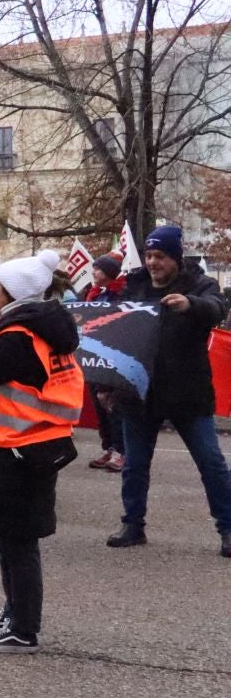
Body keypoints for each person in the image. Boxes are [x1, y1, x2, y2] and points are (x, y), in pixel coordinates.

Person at [0, 255, 84, 653]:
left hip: (16, 446)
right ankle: (15, 613)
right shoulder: (39, 327)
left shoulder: (17, 336)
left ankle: (23, 628)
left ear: (11, 292)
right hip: (31, 443)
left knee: (17, 542)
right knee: (10, 538)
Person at [106, 225, 230, 556]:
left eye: (160, 256)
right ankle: (133, 525)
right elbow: (115, 336)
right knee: (135, 465)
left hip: (186, 391)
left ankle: (228, 528)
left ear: (175, 257)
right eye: (148, 255)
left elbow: (218, 308)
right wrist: (107, 386)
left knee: (211, 462)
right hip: (139, 392)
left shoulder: (200, 284)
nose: (152, 262)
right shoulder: (135, 286)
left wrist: (189, 304)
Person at [82, 255, 126, 472]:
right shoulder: (96, 294)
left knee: (112, 406)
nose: (94, 273)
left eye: (98, 269)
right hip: (93, 356)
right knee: (100, 407)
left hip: (113, 357)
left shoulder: (120, 295)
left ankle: (121, 450)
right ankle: (108, 446)